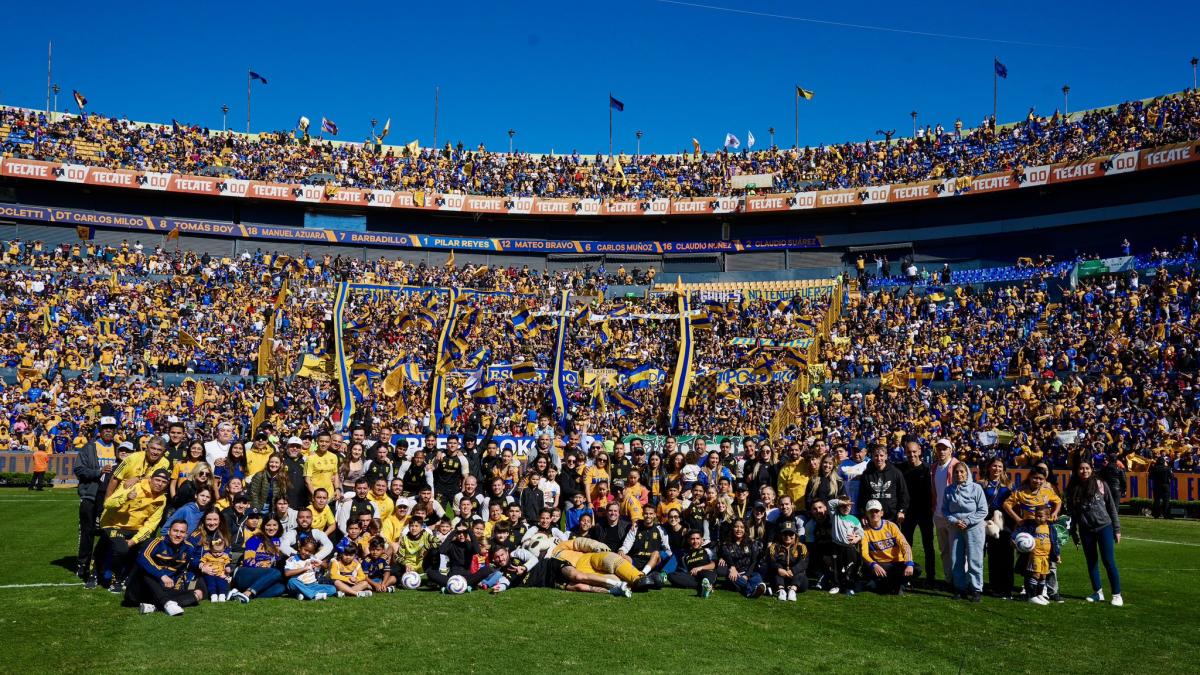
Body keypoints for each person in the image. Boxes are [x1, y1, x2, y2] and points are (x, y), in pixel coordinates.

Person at [93, 468, 170, 592]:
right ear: (150, 479)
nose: (159, 484)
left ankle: (128, 578)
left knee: (149, 548)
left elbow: (151, 525)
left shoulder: (162, 499)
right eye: (157, 480)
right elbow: (108, 503)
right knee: (121, 548)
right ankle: (113, 577)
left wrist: (134, 541)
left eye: (163, 482)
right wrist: (126, 497)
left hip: (135, 528)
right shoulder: (133, 485)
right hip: (112, 524)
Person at [1067, 460, 1123, 606]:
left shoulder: (1100, 484)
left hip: (1104, 526)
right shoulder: (1073, 488)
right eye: (1081, 468)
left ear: (1091, 469)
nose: (1084, 471)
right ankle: (1098, 592)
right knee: (1091, 562)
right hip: (1086, 530)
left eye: (1087, 468)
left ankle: (1117, 594)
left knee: (1108, 561)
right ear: (1076, 470)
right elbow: (1072, 513)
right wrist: (1073, 531)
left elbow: (1111, 507)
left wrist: (1117, 529)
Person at [125, 518, 204, 616]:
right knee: (145, 570)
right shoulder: (157, 542)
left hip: (162, 589)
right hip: (139, 589)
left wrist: (176, 586)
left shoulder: (188, 548)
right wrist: (161, 575)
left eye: (182, 532)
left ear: (186, 535)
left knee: (198, 594)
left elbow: (182, 571)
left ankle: (153, 607)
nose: (178, 535)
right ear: (168, 531)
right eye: (175, 531)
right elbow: (142, 558)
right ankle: (167, 602)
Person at [74, 416, 119, 581]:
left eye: (111, 428)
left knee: (108, 533)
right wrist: (98, 472)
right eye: (105, 428)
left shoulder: (118, 448)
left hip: (110, 497)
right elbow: (79, 469)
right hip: (90, 495)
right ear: (100, 430)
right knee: (87, 532)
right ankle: (82, 565)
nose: (108, 430)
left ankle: (102, 565)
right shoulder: (89, 448)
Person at [941, 462, 988, 602]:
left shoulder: (976, 488)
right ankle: (959, 588)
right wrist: (954, 520)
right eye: (956, 472)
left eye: (962, 472)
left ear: (967, 473)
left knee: (974, 559)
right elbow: (945, 510)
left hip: (974, 528)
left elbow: (983, 510)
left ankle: (975, 589)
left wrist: (968, 521)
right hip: (955, 528)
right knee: (956, 559)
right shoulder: (948, 490)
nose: (959, 474)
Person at [859, 499, 918, 595]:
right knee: (874, 571)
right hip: (881, 564)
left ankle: (890, 584)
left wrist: (909, 563)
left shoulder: (891, 526)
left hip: (897, 562)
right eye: (871, 511)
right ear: (866, 514)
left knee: (917, 569)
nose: (874, 514)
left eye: (876, 511)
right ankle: (896, 584)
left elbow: (905, 545)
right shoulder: (864, 531)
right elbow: (864, 553)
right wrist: (874, 565)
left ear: (881, 513)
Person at [899, 440, 935, 588]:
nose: (912, 455)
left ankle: (931, 577)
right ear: (905, 452)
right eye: (909, 452)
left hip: (925, 513)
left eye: (914, 451)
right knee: (907, 545)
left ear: (920, 451)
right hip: (908, 513)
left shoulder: (928, 469)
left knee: (928, 545)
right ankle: (906, 575)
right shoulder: (900, 468)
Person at [229, 516, 288, 602]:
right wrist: (262, 566)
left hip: (263, 577)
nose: (271, 528)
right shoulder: (255, 539)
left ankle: (240, 595)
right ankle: (248, 593)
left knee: (280, 588)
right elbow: (247, 561)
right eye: (268, 525)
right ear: (263, 526)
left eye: (274, 525)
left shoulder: (277, 541)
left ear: (279, 526)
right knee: (275, 572)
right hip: (244, 573)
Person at [979, 457, 1016, 598]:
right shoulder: (982, 484)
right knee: (993, 555)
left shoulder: (1010, 485)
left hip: (1005, 524)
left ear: (1004, 469)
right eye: (994, 466)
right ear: (989, 467)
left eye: (1000, 467)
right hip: (987, 523)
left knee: (1006, 556)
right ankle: (994, 586)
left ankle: (1007, 587)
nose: (997, 469)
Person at [1013, 505, 1059, 606]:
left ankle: (1039, 595)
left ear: (1048, 516)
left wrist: (1057, 555)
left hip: (1046, 557)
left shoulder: (1050, 528)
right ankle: (1031, 596)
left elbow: (1054, 542)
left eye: (1041, 516)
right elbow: (1019, 531)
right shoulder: (1031, 525)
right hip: (1034, 556)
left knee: (1043, 576)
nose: (1038, 518)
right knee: (1035, 575)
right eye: (1036, 515)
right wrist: (1013, 538)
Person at [929, 438, 960, 586]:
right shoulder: (934, 467)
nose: (941, 451)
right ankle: (949, 580)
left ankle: (960, 580)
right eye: (939, 448)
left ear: (950, 450)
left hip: (953, 515)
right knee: (944, 550)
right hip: (938, 515)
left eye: (944, 448)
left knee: (957, 550)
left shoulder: (957, 466)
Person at [856, 444, 909, 523]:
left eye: (881, 455)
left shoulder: (895, 473)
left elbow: (903, 494)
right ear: (872, 457)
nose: (879, 458)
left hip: (892, 518)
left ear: (886, 456)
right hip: (872, 517)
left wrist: (902, 511)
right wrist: (863, 514)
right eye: (876, 456)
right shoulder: (866, 474)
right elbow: (862, 497)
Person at [718, 519, 767, 599]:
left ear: (745, 530)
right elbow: (729, 560)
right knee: (733, 579)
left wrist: (747, 575)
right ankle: (751, 591)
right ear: (732, 529)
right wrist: (732, 568)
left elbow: (754, 561)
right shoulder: (726, 545)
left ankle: (755, 587)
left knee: (756, 576)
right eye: (736, 527)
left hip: (749, 572)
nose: (739, 530)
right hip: (735, 573)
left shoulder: (751, 543)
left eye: (742, 527)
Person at [667, 530, 718, 598]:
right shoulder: (685, 556)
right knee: (671, 575)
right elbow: (685, 570)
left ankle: (706, 585)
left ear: (702, 540)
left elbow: (713, 565)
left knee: (708, 575)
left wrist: (700, 568)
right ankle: (704, 586)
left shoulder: (708, 551)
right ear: (688, 540)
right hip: (693, 577)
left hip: (706, 572)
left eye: (697, 539)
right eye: (692, 539)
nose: (695, 541)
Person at [767, 525, 808, 601]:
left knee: (800, 572)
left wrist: (793, 570)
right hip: (780, 577)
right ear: (781, 535)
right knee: (775, 572)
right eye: (785, 534)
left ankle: (792, 591)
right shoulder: (774, 547)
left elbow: (804, 562)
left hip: (795, 578)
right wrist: (779, 569)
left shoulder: (801, 547)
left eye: (791, 534)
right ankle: (781, 591)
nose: (788, 536)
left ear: (795, 535)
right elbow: (771, 561)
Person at [199, 536, 233, 602]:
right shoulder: (207, 555)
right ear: (211, 549)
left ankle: (222, 595)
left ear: (224, 549)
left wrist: (228, 568)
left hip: (221, 574)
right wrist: (201, 566)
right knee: (211, 584)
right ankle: (213, 595)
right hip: (210, 574)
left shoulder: (225, 556)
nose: (217, 554)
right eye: (215, 552)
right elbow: (202, 561)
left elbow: (227, 563)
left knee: (222, 583)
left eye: (220, 552)